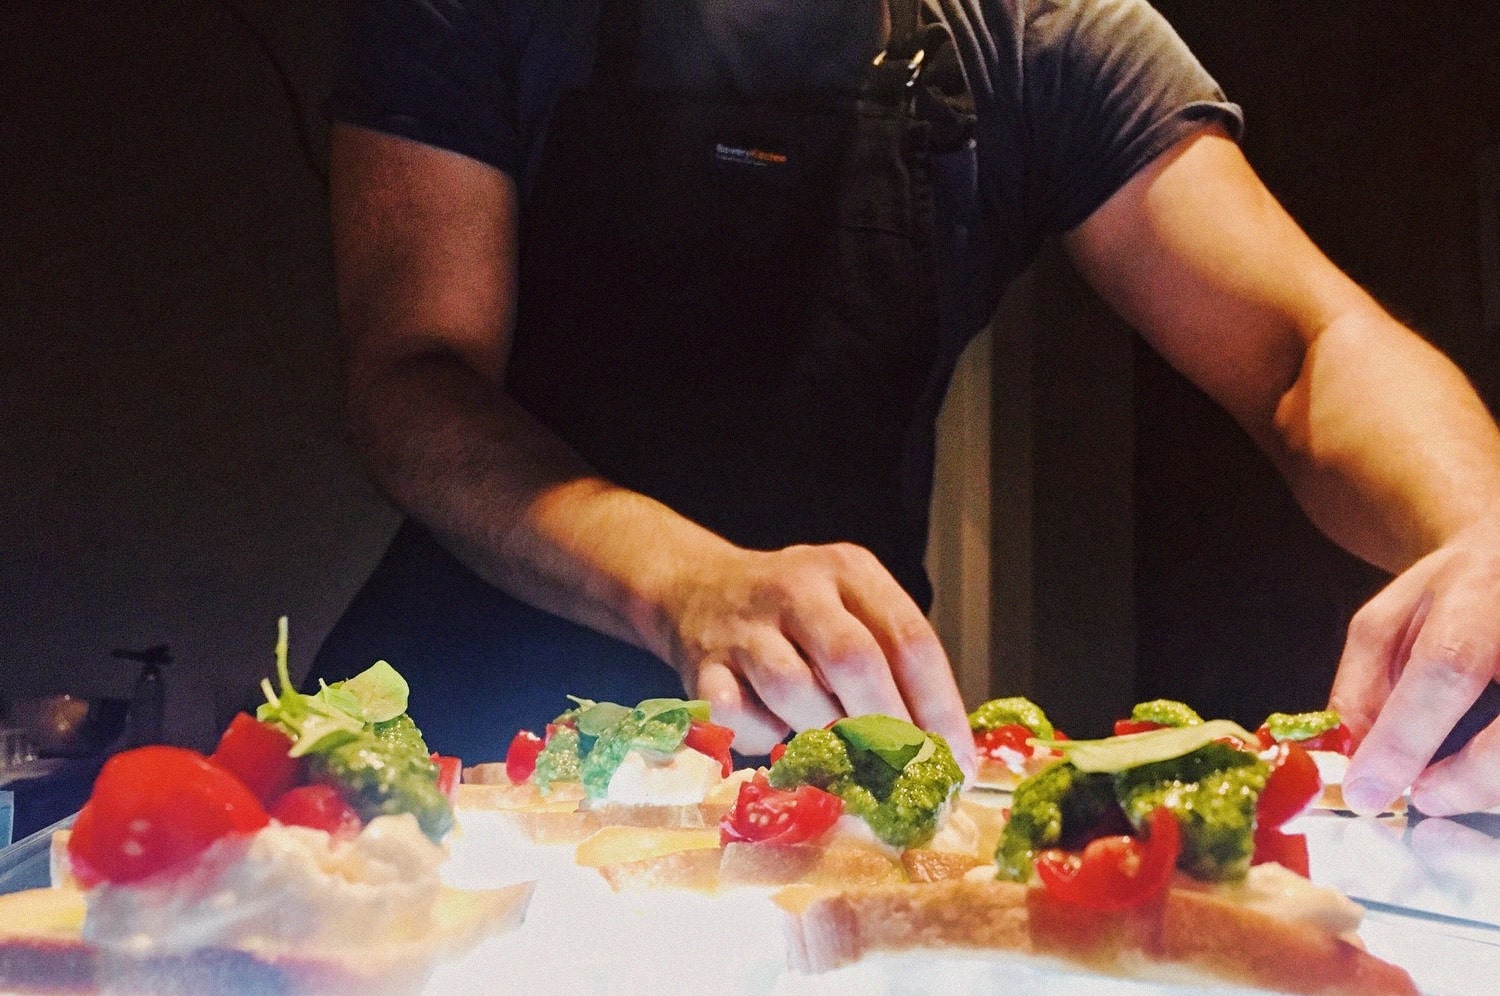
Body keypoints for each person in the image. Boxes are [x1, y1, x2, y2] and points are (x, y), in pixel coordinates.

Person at [310, 0, 1500, 818]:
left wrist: (1484, 536)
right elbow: (413, 375)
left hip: (825, 745)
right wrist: (682, 581)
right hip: (458, 738)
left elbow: (1307, 347)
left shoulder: (1040, 35)